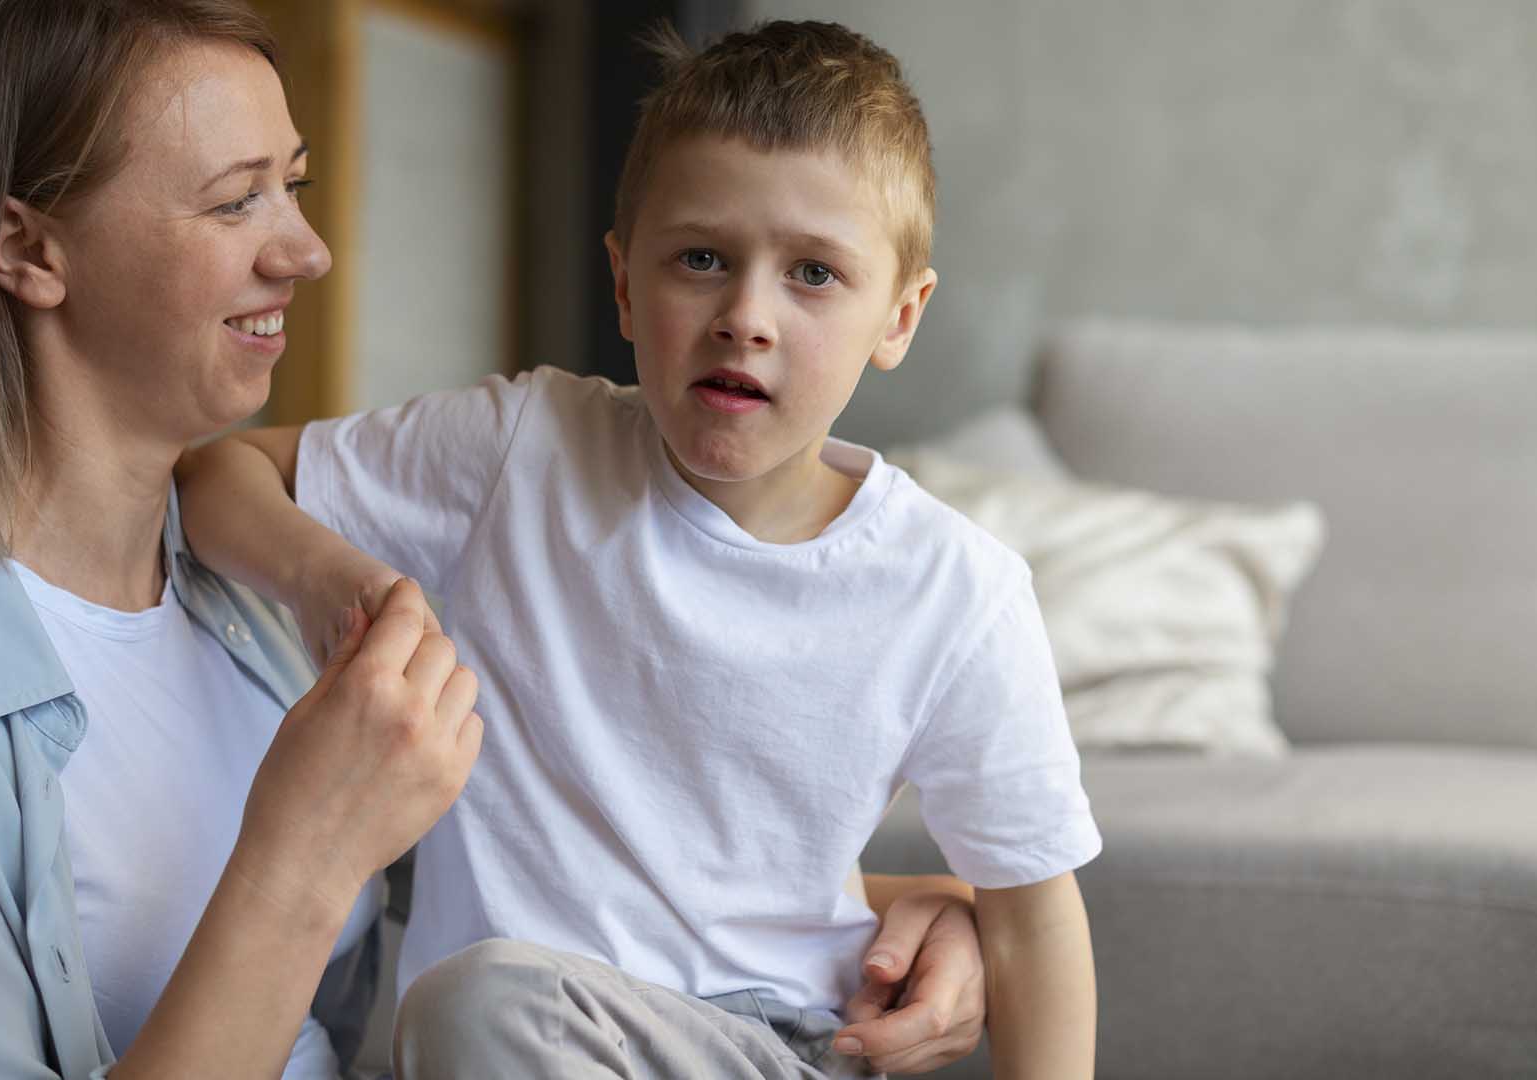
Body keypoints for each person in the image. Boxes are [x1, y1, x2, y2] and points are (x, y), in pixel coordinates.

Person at [0, 3, 989, 1077]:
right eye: (234, 204)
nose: (307, 251)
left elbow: (535, 883)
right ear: (24, 248)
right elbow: (309, 876)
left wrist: (884, 922)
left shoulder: (248, 590)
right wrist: (303, 856)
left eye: (295, 187)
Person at [177, 19, 1101, 1080]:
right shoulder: (518, 448)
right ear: (623, 284)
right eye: (701, 259)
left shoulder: (957, 591)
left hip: (778, 1049)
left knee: (480, 1004)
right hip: (508, 1036)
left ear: (899, 316)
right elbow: (218, 476)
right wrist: (351, 580)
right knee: (479, 1004)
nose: (745, 316)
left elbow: (1033, 915)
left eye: (812, 274)